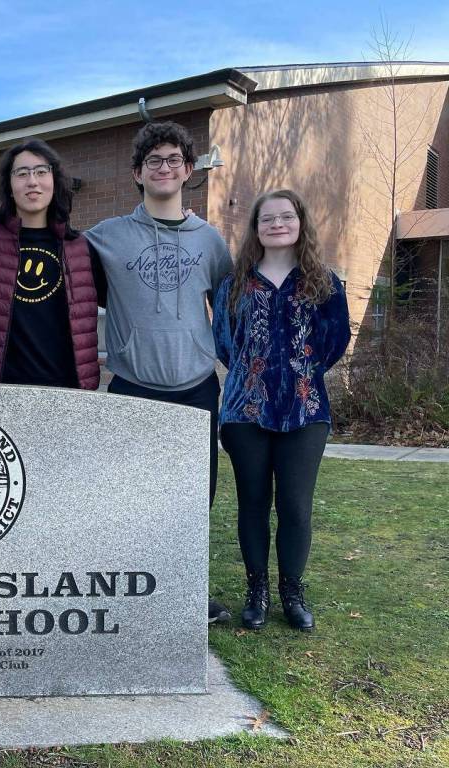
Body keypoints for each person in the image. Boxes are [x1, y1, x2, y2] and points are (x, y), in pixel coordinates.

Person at [85, 121, 233, 624]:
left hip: (196, 387)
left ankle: (188, 591)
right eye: (154, 161)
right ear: (137, 173)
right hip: (133, 387)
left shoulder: (211, 243)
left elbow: (234, 310)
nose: (164, 167)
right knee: (132, 497)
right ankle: (136, 594)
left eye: (174, 159)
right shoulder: (106, 238)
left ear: (189, 171)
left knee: (195, 498)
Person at [213, 190, 350, 632]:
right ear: (255, 228)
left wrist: (297, 375)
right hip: (243, 412)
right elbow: (224, 343)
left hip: (305, 411)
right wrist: (255, 379)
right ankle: (257, 591)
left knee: (295, 506)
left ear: (300, 222)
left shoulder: (323, 282)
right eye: (267, 218)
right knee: (253, 503)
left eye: (285, 216)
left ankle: (292, 591)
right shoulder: (235, 285)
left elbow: (334, 342)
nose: (276, 224)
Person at [0, 138, 105, 388]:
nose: (32, 181)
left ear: (54, 180)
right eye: (22, 173)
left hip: (69, 390)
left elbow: (122, 299)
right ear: (9, 185)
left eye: (41, 171)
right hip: (1, 389)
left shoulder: (80, 247)